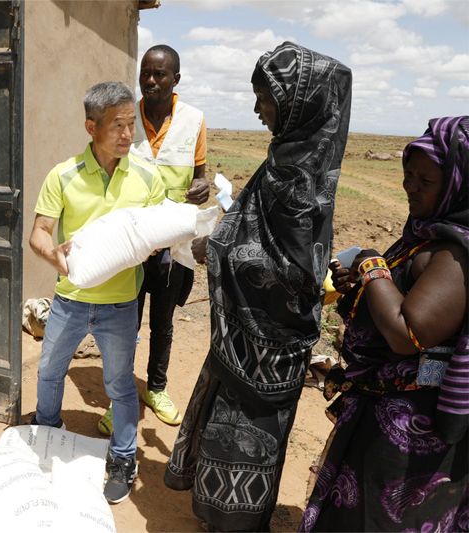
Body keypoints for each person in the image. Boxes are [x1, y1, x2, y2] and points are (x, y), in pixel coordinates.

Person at [163, 42, 352, 531]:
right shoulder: (288, 161)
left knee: (251, 441)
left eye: (264, 98)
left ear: (298, 103)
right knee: (228, 436)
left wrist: (218, 248)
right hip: (247, 341)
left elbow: (295, 273)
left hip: (269, 345)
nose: (256, 109)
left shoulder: (301, 185)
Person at [300, 116, 469, 532]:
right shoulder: (424, 236)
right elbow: (389, 299)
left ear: (458, 185)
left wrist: (372, 263)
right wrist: (358, 288)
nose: (410, 187)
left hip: (415, 441)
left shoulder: (457, 256)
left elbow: (406, 333)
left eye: (424, 181)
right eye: (407, 175)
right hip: (382, 417)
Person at [29, 81, 165, 504]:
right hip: (70, 299)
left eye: (131, 125)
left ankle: (123, 457)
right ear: (92, 126)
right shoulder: (63, 175)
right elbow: (38, 233)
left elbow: (157, 232)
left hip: (121, 303)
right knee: (50, 371)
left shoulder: (146, 176)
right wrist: (55, 258)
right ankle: (49, 431)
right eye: (118, 126)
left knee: (120, 383)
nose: (128, 135)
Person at [97, 45, 210, 436]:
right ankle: (120, 397)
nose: (150, 80)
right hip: (131, 241)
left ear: (176, 79)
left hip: (173, 244)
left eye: (160, 74)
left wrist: (201, 188)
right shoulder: (126, 118)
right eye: (145, 72)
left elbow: (200, 176)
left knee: (163, 322)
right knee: (125, 323)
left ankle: (156, 389)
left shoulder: (193, 121)